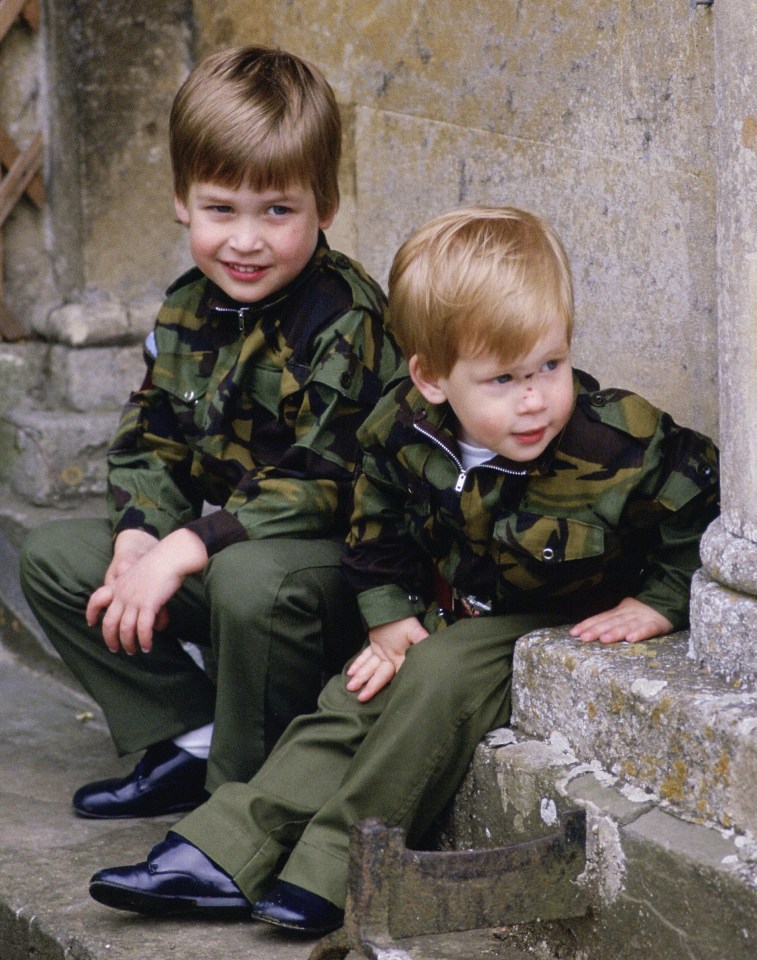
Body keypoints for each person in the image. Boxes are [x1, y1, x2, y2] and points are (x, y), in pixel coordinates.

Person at [83, 206, 719, 933]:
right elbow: (372, 523)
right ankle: (224, 846)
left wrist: (663, 600)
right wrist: (387, 617)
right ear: (433, 378)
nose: (534, 398)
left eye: (550, 364)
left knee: (437, 675)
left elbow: (702, 499)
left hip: (553, 616)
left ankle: (334, 867)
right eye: (503, 378)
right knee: (353, 695)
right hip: (458, 604)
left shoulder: (617, 442)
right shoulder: (402, 426)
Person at [19, 46, 404, 821]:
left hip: (332, 579)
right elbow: (153, 436)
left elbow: (324, 479)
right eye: (221, 209)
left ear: (325, 204)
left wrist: (186, 548)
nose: (246, 241)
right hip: (233, 554)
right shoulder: (187, 308)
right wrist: (139, 536)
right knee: (58, 560)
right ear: (181, 202)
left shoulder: (346, 317)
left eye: (277, 211)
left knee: (247, 577)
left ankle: (241, 807)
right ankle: (191, 741)